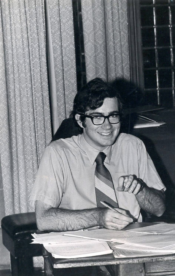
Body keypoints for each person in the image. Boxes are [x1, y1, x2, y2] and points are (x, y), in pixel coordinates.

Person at [31, 78, 166, 231]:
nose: (107, 125)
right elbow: (43, 220)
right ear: (81, 121)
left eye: (113, 115)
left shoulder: (133, 146)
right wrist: (99, 217)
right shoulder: (58, 153)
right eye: (97, 117)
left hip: (131, 240)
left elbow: (159, 210)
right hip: (80, 244)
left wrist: (140, 190)